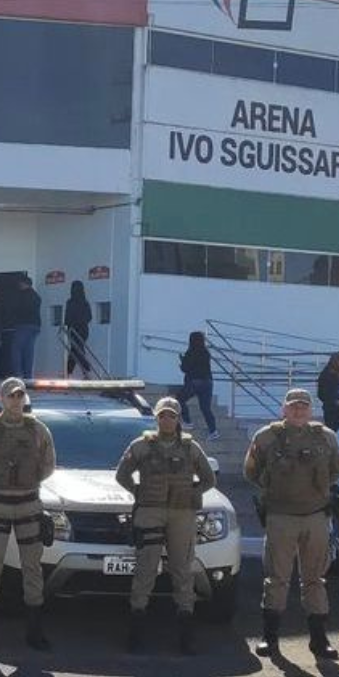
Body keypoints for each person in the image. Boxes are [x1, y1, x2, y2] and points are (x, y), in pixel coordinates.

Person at [244, 388, 339, 661]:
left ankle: (319, 640)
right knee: (277, 577)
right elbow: (250, 471)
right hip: (281, 516)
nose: (299, 410)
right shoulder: (266, 437)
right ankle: (270, 637)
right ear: (284, 409)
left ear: (311, 410)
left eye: (303, 406)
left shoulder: (326, 437)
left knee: (315, 578)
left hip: (315, 515)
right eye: (293, 406)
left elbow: (336, 471)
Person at [115, 397, 217, 655]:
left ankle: (186, 634)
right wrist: (138, 491)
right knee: (145, 568)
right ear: (156, 418)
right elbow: (122, 474)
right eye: (162, 416)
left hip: (181, 514)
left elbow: (209, 478)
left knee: (182, 569)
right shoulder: (141, 446)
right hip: (150, 512)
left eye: (171, 416)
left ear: (178, 418)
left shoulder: (190, 448)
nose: (167, 420)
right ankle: (136, 630)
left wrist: (192, 493)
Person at [0, 378, 57, 651]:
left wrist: (26, 482)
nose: (15, 400)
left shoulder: (38, 429)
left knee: (32, 568)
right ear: (1, 398)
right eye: (10, 396)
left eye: (19, 395)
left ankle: (35, 632)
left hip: (29, 505)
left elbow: (49, 465)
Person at [177, 331, 220, 440]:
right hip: (208, 382)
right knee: (205, 408)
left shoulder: (191, 351)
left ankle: (187, 421)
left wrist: (182, 361)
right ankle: (213, 431)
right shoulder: (206, 352)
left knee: (180, 399)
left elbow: (185, 368)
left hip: (195, 381)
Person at [10, 276, 41, 379]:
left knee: (16, 349)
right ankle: (28, 375)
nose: (18, 285)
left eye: (20, 283)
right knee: (29, 351)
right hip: (35, 325)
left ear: (24, 283)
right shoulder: (36, 296)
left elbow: (18, 310)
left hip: (23, 325)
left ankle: (18, 373)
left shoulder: (22, 295)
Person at [63, 280, 94, 377]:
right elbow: (89, 317)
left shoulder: (70, 302)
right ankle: (84, 371)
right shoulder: (85, 302)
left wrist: (68, 325)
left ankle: (72, 372)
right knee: (77, 350)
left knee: (75, 350)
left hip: (73, 329)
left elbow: (67, 317)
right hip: (83, 330)